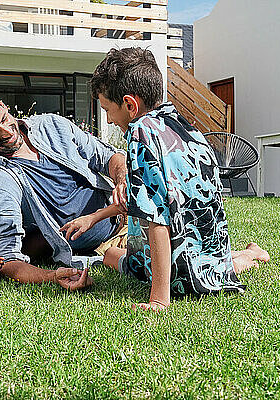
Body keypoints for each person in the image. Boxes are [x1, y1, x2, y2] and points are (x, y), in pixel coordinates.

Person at [86, 47, 269, 310]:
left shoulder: (141, 133)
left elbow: (157, 218)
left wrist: (159, 299)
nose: (108, 119)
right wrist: (94, 217)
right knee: (115, 256)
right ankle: (248, 254)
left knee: (111, 256)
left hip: (182, 272)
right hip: (209, 257)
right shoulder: (186, 128)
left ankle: (248, 255)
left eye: (107, 109)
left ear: (129, 104)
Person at [0, 86, 128, 290]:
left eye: (5, 118)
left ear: (2, 104)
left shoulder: (50, 125)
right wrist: (52, 276)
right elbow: (7, 259)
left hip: (126, 215)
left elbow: (108, 157)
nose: (7, 132)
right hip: (103, 247)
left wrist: (121, 179)